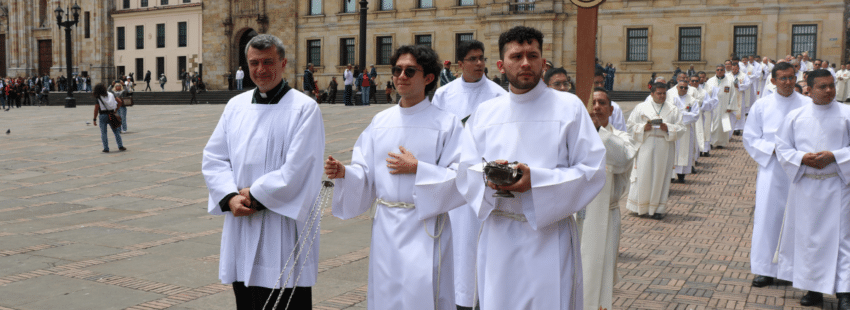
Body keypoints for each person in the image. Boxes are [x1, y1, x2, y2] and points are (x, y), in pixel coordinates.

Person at [456, 26, 606, 309]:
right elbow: (465, 169)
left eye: (532, 55)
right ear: (501, 65)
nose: (525, 63)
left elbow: (593, 170)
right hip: (499, 233)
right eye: (516, 56)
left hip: (549, 237)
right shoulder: (486, 113)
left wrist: (535, 181)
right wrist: (488, 179)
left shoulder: (569, 107)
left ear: (543, 62)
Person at [325, 44, 462, 309]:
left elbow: (462, 179)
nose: (401, 76)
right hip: (387, 226)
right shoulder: (380, 121)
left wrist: (419, 168)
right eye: (397, 70)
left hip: (425, 226)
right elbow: (365, 173)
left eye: (410, 71)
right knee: (387, 295)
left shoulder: (447, 124)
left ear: (429, 78)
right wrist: (345, 173)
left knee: (423, 294)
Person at [201, 34, 325, 310]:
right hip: (241, 220)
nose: (261, 70)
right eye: (254, 63)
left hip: (281, 224)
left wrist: (255, 196)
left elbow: (301, 167)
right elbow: (214, 157)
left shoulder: (304, 108)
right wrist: (230, 197)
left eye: (268, 62)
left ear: (282, 63)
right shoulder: (236, 106)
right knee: (246, 297)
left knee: (283, 297)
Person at [431, 39, 507, 310]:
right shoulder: (444, 95)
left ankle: (479, 300)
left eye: (482, 58)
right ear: (459, 64)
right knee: (455, 250)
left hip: (483, 182)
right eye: (472, 59)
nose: (479, 64)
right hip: (453, 182)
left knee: (478, 247)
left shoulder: (499, 95)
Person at [775, 69, 850, 310]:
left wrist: (835, 156)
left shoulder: (847, 114)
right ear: (808, 89)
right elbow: (783, 147)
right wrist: (801, 158)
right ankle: (813, 289)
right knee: (808, 239)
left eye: (831, 85)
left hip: (838, 185)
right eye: (822, 86)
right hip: (806, 187)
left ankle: (845, 292)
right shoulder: (796, 116)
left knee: (842, 240)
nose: (829, 90)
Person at [742, 62, 805, 289]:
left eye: (791, 77)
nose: (788, 82)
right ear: (773, 81)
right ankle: (764, 269)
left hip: (800, 169)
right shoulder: (762, 106)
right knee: (768, 218)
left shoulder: (807, 104)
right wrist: (773, 150)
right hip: (772, 168)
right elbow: (750, 137)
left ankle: (793, 269)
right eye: (783, 79)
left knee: (797, 219)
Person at [576, 87, 636, 310]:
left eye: (602, 103)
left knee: (599, 272)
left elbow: (623, 159)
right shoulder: (575, 137)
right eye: (592, 102)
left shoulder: (619, 137)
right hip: (573, 215)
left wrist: (598, 132)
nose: (596, 107)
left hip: (604, 218)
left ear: (611, 110)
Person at [626, 82, 685, 219]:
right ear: (652, 94)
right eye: (659, 93)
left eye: (664, 93)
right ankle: (640, 207)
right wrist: (642, 128)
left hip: (664, 147)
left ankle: (658, 209)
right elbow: (629, 126)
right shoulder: (641, 107)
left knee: (661, 177)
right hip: (645, 146)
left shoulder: (673, 109)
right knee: (643, 175)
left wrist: (668, 128)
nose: (662, 96)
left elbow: (682, 128)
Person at [671, 80, 703, 183]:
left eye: (685, 88)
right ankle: (671, 175)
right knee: (673, 152)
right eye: (681, 87)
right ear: (677, 88)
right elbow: (670, 113)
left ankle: (681, 176)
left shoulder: (692, 100)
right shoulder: (671, 99)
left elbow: (695, 115)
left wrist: (680, 115)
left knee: (685, 152)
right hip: (674, 129)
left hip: (686, 129)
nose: (683, 89)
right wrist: (683, 114)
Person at [704, 64, 734, 149]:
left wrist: (730, 106)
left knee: (722, 125)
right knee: (711, 124)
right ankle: (710, 141)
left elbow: (733, 95)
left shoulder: (729, 81)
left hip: (723, 107)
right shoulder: (710, 81)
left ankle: (721, 142)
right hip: (712, 107)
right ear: (715, 71)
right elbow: (706, 93)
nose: (719, 71)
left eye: (721, 70)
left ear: (724, 71)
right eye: (718, 70)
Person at [91, 83, 125, 153]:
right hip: (111, 114)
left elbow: (96, 109)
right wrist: (116, 109)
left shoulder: (98, 97)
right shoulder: (111, 94)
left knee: (104, 133)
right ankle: (120, 146)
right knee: (116, 131)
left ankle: (106, 148)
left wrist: (94, 119)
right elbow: (119, 101)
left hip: (103, 115)